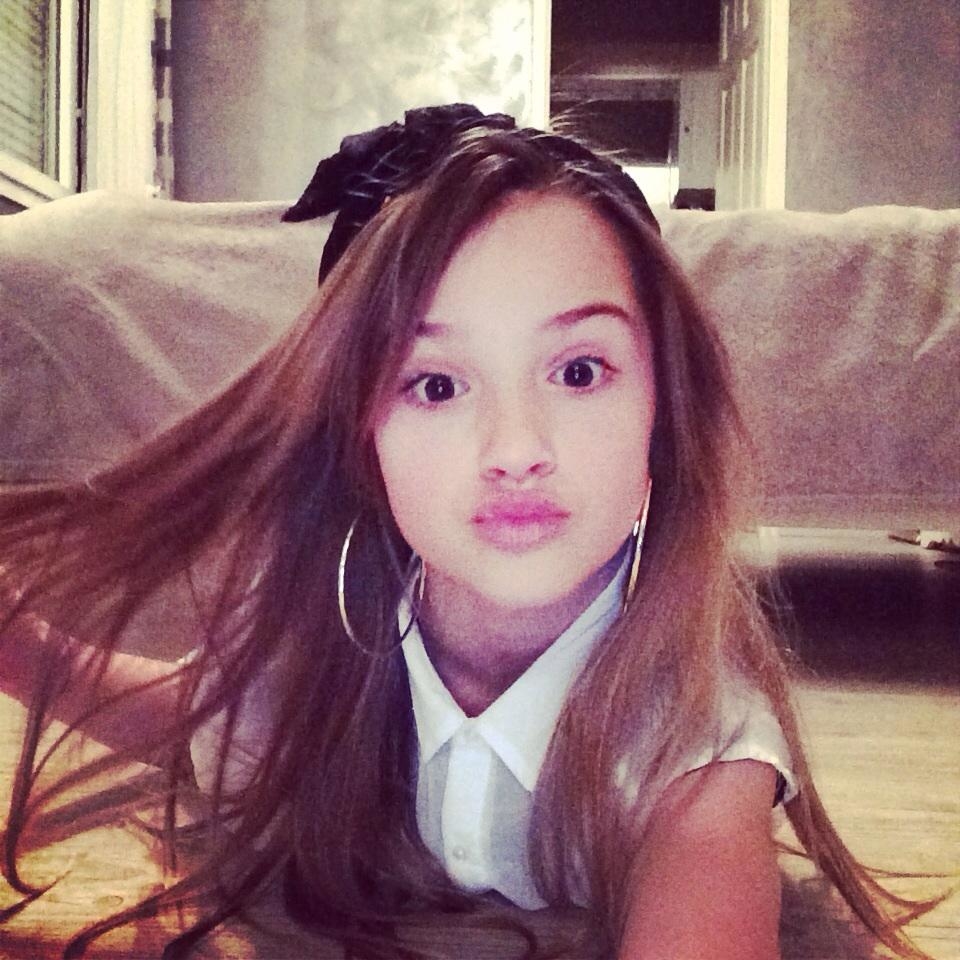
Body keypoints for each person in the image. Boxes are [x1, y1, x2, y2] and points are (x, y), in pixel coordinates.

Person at [0, 105, 941, 960]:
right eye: (437, 384)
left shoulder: (698, 740)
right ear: (362, 436)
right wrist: (23, 648)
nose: (516, 450)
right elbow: (204, 720)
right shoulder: (335, 638)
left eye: (578, 372)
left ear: (664, 410)